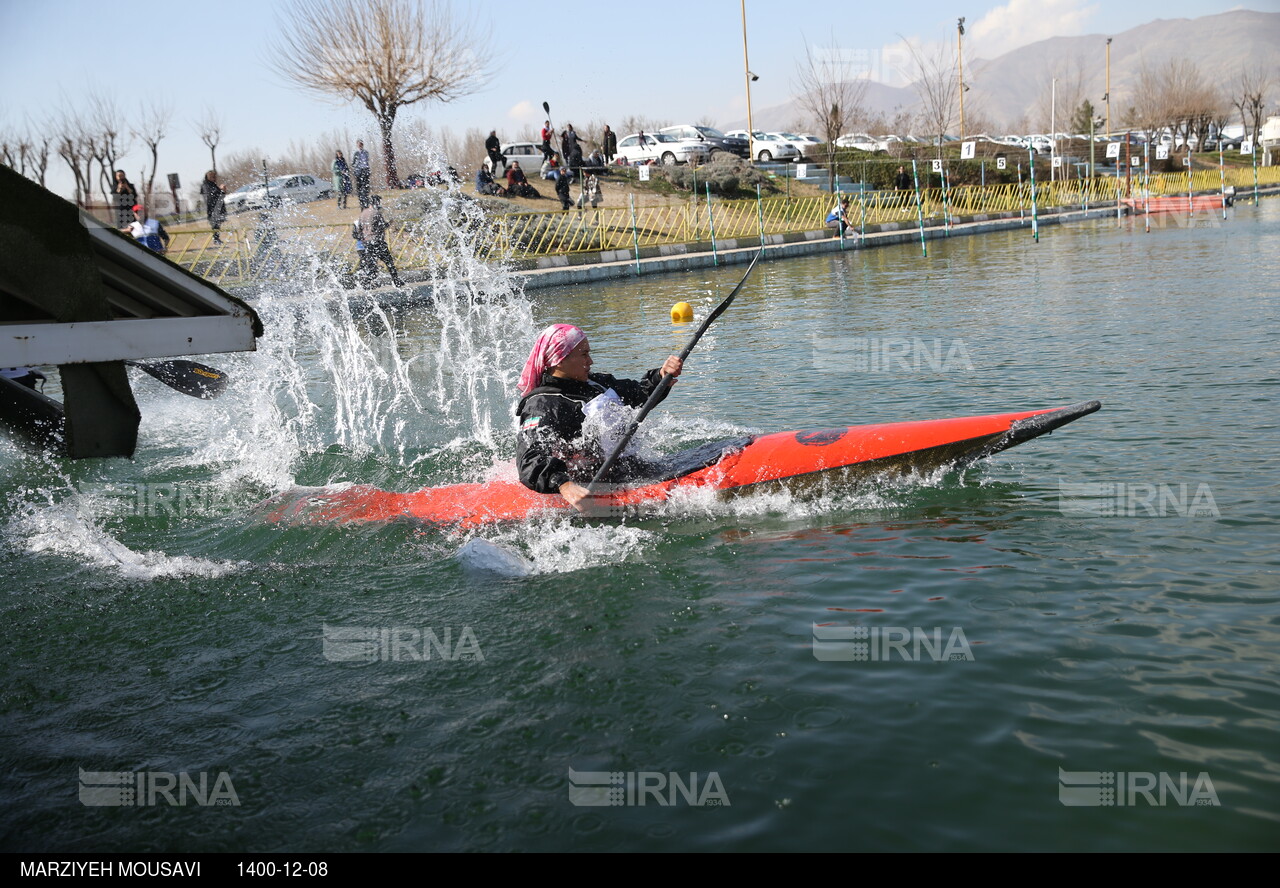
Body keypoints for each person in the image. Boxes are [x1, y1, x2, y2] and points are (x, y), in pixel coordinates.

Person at [515, 324, 683, 510]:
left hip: (628, 469)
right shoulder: (542, 404)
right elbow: (529, 457)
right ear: (560, 360)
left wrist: (661, 376)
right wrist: (565, 486)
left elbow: (638, 395)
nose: (591, 361)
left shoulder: (595, 383)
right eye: (584, 354)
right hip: (589, 482)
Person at [357, 195, 404, 287]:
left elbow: (359, 228)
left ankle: (365, 282)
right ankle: (396, 280)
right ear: (376, 202)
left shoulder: (363, 213)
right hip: (377, 241)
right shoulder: (376, 213)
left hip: (366, 241)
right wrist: (390, 223)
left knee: (372, 263)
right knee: (389, 261)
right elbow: (382, 226)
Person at [200, 170, 227, 244]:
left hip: (218, 207)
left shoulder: (213, 185)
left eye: (214, 177)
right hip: (212, 208)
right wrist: (220, 189)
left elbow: (220, 195)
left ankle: (216, 238)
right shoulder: (205, 185)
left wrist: (223, 191)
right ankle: (216, 239)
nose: (214, 178)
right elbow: (211, 195)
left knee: (217, 224)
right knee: (215, 224)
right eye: (212, 177)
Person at [353, 140, 372, 208]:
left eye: (361, 144)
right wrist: (355, 171)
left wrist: (368, 170)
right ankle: (361, 202)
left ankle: (366, 200)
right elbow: (353, 163)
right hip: (358, 172)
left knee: (366, 187)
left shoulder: (366, 152)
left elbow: (367, 162)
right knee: (359, 188)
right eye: (359, 144)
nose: (360, 145)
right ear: (357, 145)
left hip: (365, 171)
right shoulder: (356, 153)